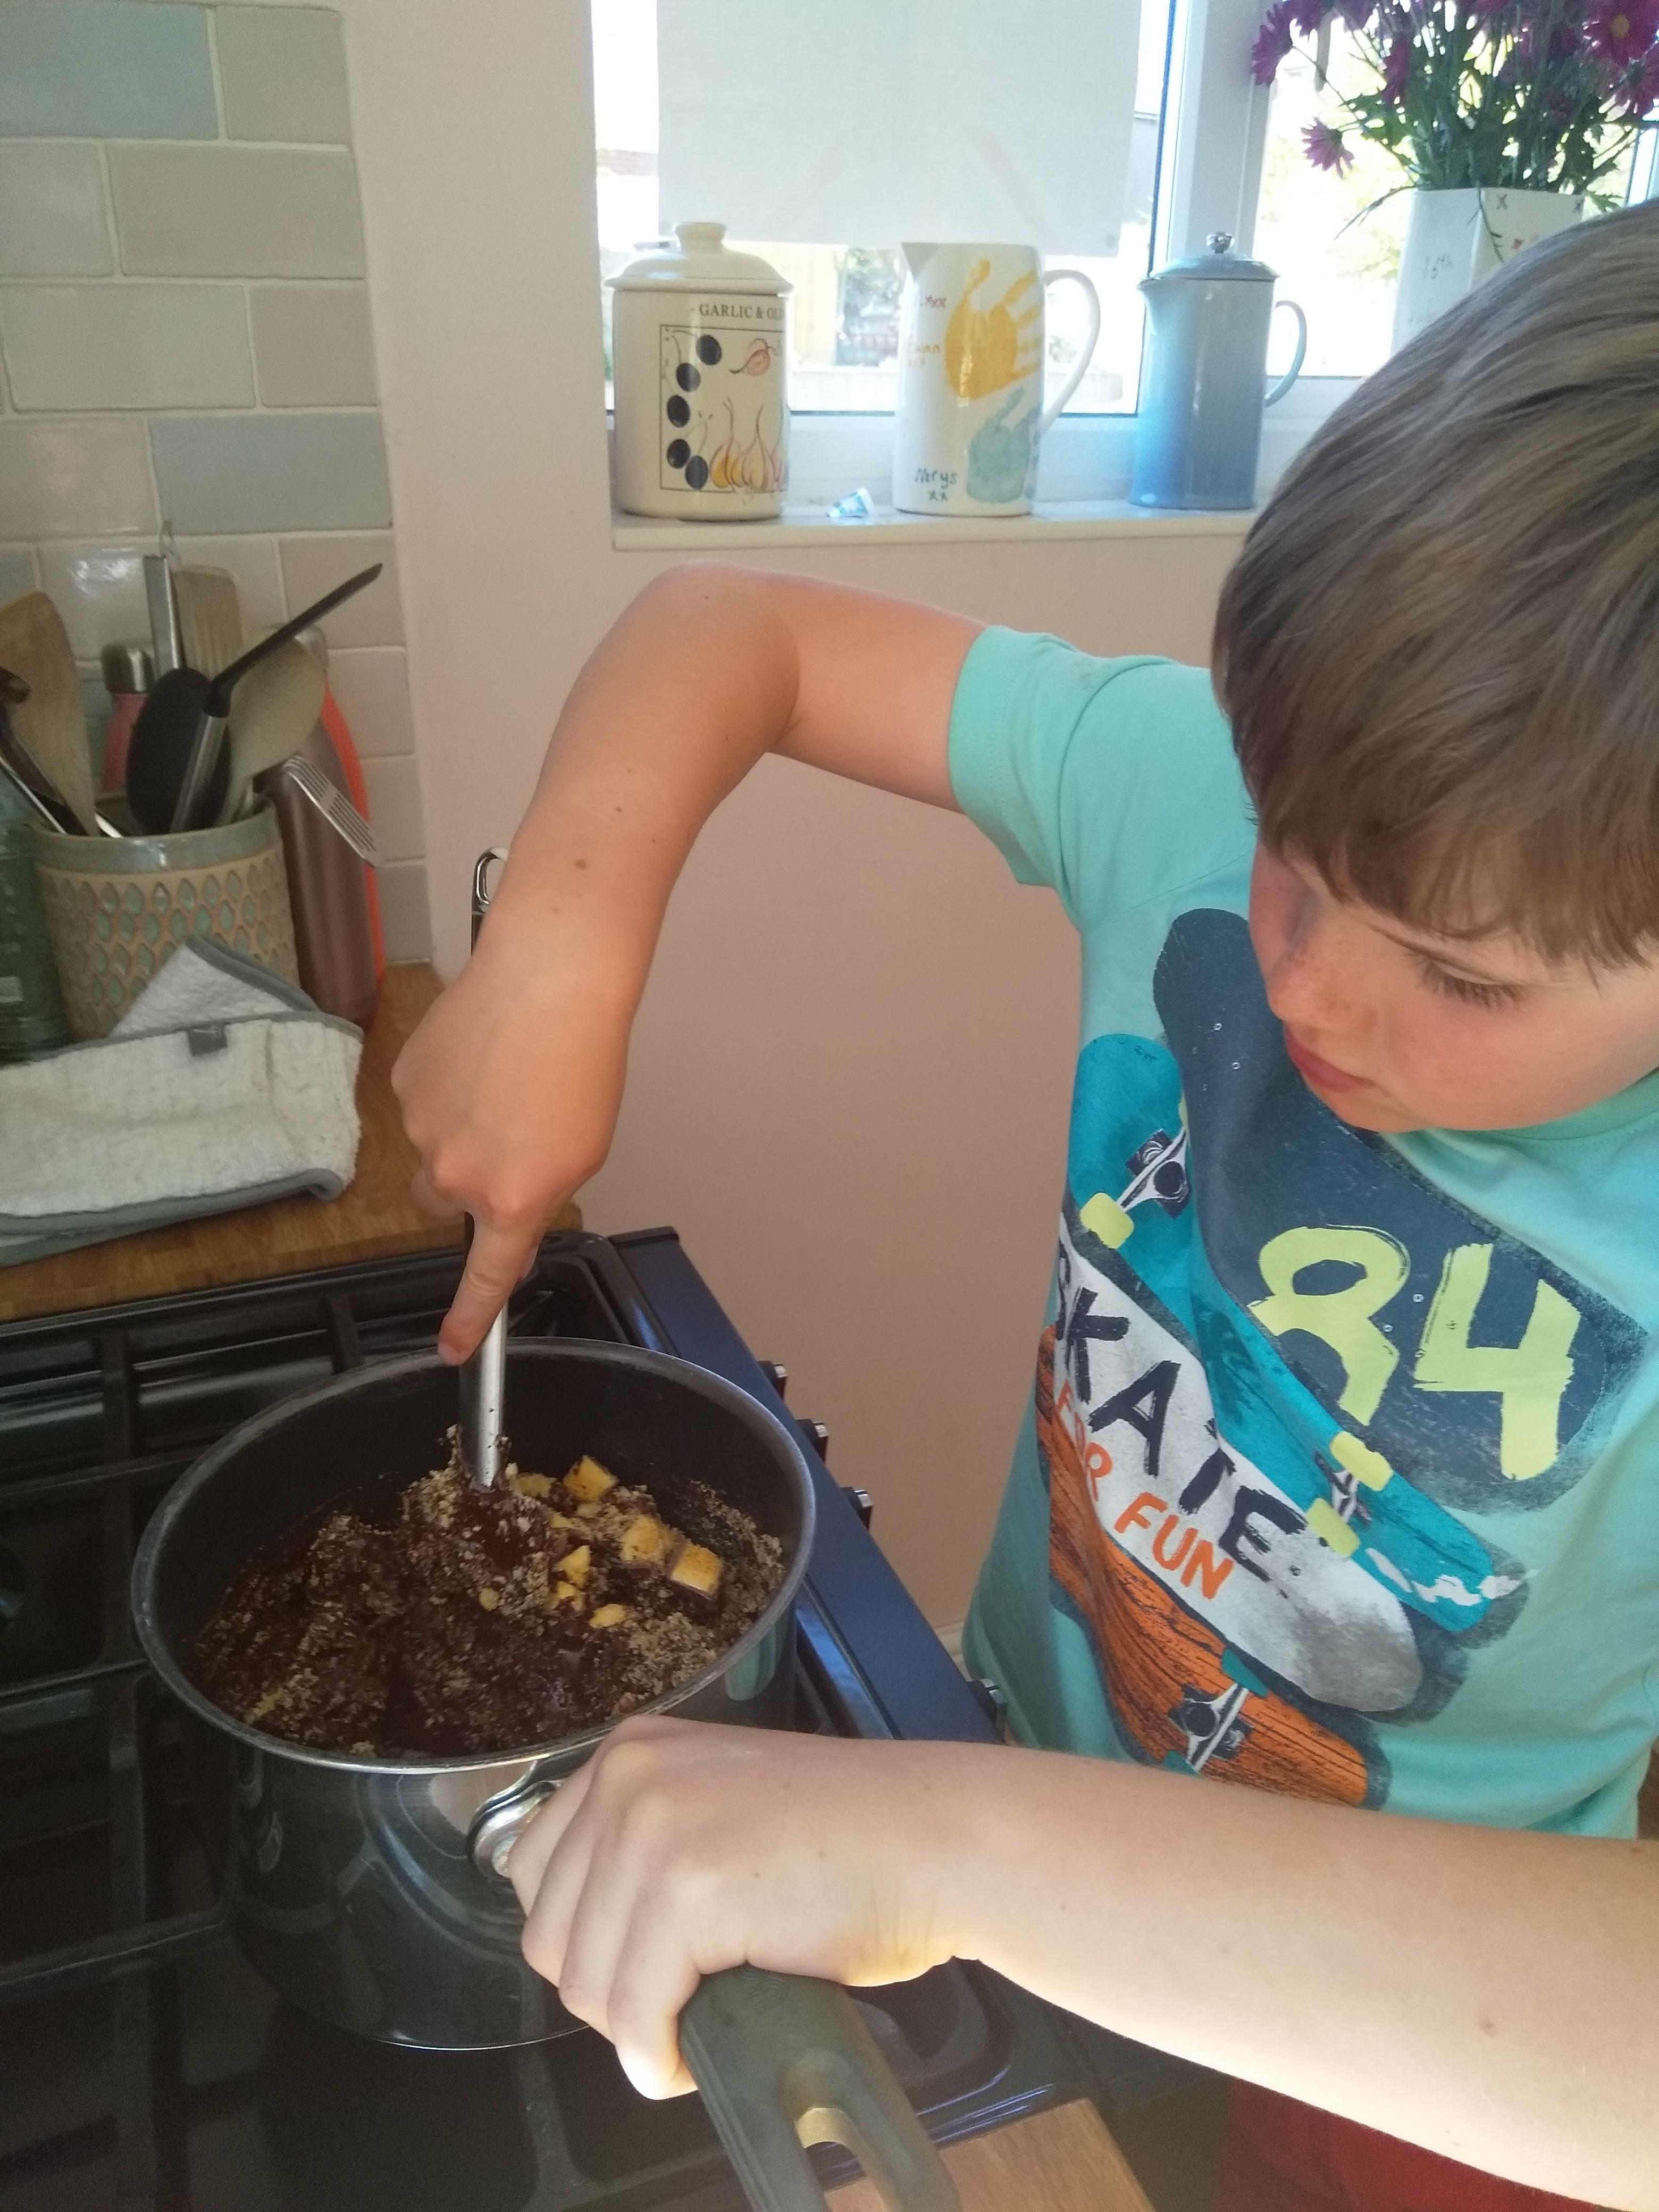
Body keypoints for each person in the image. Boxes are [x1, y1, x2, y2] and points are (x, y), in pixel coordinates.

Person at [392, 203, 1659, 2211]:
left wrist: (943, 1845)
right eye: (1291, 853)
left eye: (1461, 977)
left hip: (1446, 2037)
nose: (1306, 985)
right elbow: (733, 630)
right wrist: (559, 947)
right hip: (1018, 1784)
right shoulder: (1183, 789)